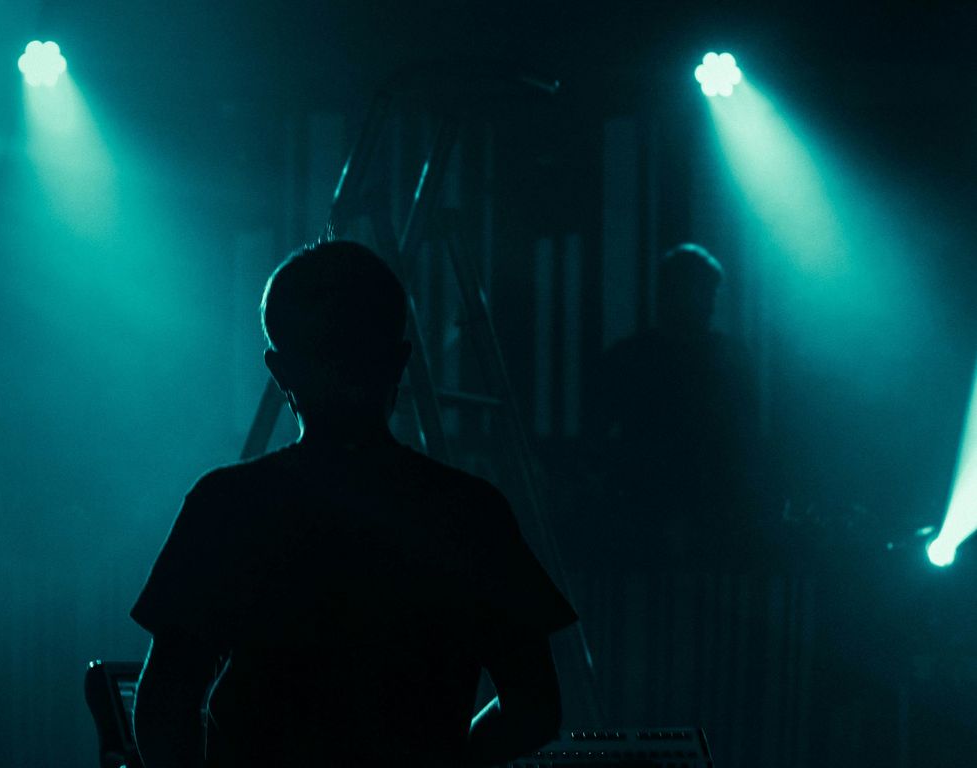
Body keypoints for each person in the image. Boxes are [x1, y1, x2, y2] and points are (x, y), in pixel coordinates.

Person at [130, 240, 577, 768]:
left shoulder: (226, 505)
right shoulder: (470, 512)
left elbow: (165, 703)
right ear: (398, 362)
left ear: (280, 371)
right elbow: (534, 707)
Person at [587, 243, 757, 564]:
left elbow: (596, 430)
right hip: (670, 499)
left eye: (710, 293)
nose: (709, 304)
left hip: (672, 498)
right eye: (703, 292)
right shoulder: (727, 356)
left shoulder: (631, 355)